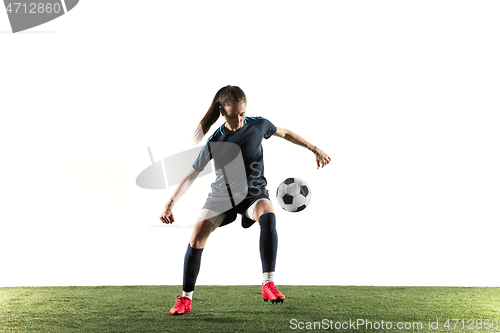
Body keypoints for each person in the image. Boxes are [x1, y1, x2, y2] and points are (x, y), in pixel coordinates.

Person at [160, 85, 331, 315]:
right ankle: (185, 299)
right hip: (222, 197)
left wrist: (315, 148)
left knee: (269, 216)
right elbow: (192, 174)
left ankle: (268, 283)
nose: (239, 119)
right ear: (222, 112)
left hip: (253, 194)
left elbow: (286, 133)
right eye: (233, 115)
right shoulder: (215, 141)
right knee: (196, 239)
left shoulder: (258, 125)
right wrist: (170, 203)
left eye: (242, 113)